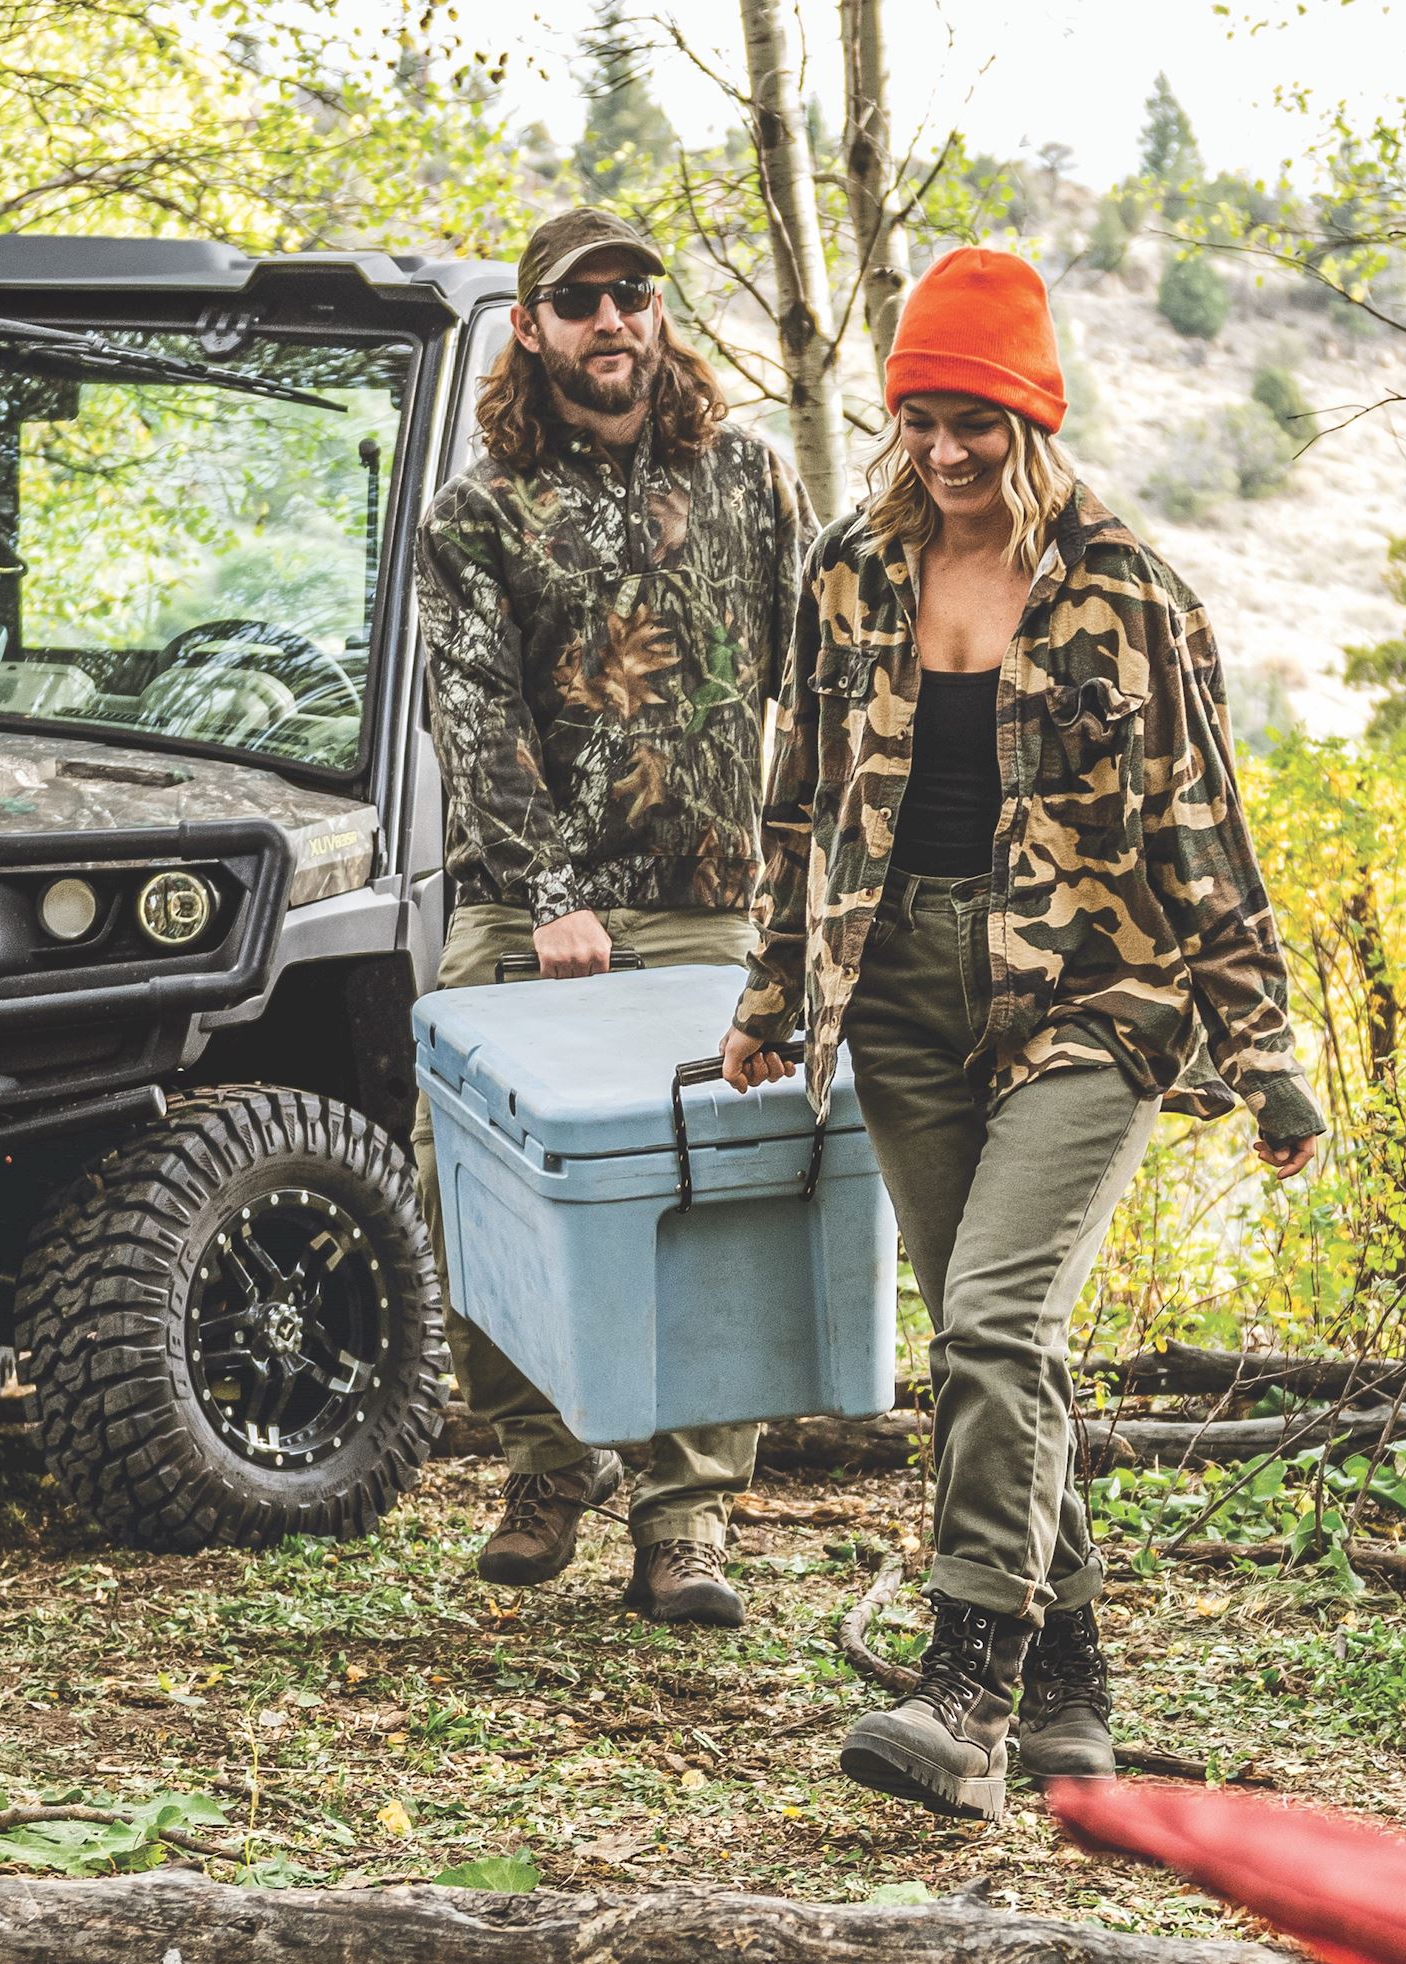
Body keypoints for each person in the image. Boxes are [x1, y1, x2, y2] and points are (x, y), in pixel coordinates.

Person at [720, 246, 1324, 1816]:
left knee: (992, 1319)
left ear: (1030, 417)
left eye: (975, 418)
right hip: (901, 993)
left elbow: (1206, 836)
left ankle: (968, 1692)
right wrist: (774, 1003)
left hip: (1095, 996)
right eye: (921, 415)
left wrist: (1266, 1061)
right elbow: (802, 807)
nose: (946, 449)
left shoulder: (1129, 589)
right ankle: (1074, 1697)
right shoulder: (853, 572)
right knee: (996, 1343)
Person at [413, 207, 815, 1624]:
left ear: (659, 312)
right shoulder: (476, 513)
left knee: (720, 1199)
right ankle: (546, 1461)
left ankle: (687, 1517)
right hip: (533, 918)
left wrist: (807, 891)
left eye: (631, 293)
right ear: (530, 326)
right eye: (577, 300)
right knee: (474, 1178)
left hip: (711, 910)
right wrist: (552, 896)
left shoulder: (750, 481)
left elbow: (810, 690)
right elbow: (473, 721)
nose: (610, 320)